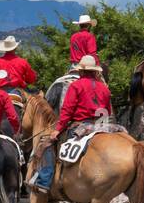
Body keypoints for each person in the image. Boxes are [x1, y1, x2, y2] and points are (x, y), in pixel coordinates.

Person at [34, 55, 111, 193]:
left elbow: (67, 111)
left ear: (81, 71)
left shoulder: (76, 86)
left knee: (47, 144)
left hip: (80, 127)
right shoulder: (104, 88)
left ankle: (44, 182)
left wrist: (57, 130)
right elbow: (108, 111)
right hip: (101, 127)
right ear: (95, 71)